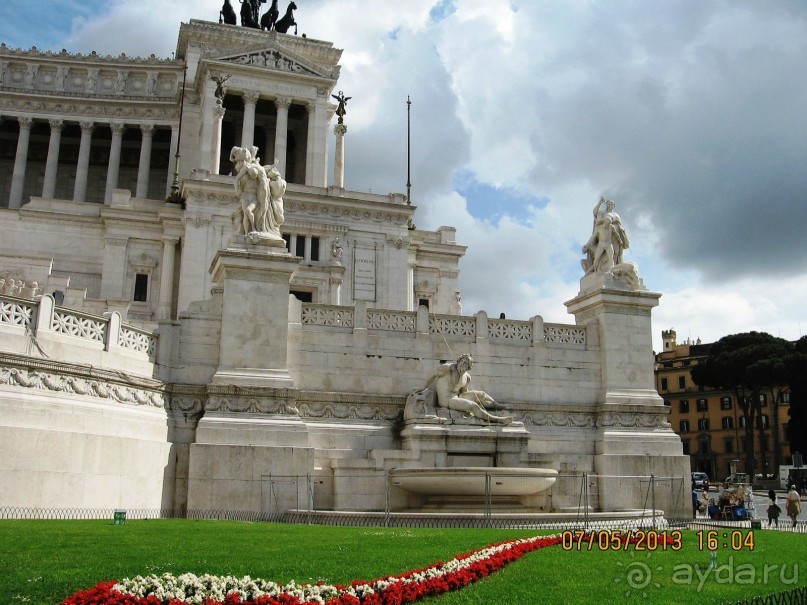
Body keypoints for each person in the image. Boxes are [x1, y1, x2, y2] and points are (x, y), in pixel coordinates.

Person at [422, 354, 514, 425]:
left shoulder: (467, 377)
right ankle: (497, 420)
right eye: (462, 361)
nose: (463, 364)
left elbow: (464, 393)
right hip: (446, 400)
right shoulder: (447, 368)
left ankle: (499, 406)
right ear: (459, 360)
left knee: (481, 394)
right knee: (473, 406)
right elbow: (432, 375)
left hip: (456, 397)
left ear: (469, 367)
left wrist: (474, 396)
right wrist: (422, 387)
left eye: (466, 363)